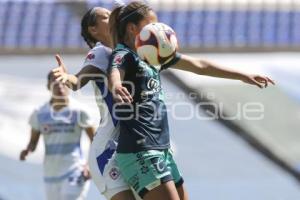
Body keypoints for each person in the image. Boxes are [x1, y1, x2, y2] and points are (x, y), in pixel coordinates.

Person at [108, 1, 275, 200]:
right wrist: (116, 85)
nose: (157, 30)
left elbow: (199, 65)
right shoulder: (124, 54)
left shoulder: (153, 56)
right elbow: (115, 71)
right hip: (140, 151)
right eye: (150, 25)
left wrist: (240, 75)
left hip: (161, 150)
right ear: (132, 28)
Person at [52, 7, 138, 200]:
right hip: (108, 148)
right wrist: (67, 77)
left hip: (131, 145)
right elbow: (77, 81)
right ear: (93, 30)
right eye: (106, 17)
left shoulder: (127, 53)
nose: (113, 18)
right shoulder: (102, 52)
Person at [20, 71, 95, 200]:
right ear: (48, 86)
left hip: (74, 171)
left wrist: (89, 165)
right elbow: (33, 142)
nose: (59, 85)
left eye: (62, 81)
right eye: (54, 81)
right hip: (51, 174)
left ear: (69, 84)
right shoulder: (39, 113)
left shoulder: (80, 111)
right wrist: (27, 150)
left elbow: (95, 140)